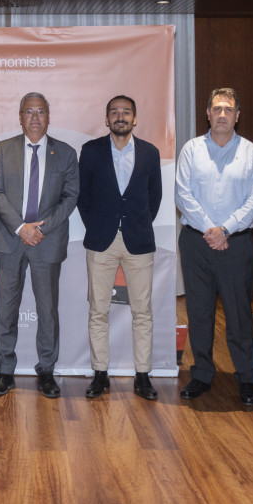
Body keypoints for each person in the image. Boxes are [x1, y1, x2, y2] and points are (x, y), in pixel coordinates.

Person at [175, 87, 253, 404]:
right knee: (199, 311)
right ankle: (201, 373)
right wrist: (211, 230)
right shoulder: (191, 149)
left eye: (228, 109)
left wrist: (224, 229)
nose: (222, 114)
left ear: (237, 115)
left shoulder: (251, 153)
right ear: (208, 114)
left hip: (236, 243)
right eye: (217, 109)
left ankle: (246, 377)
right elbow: (183, 194)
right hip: (196, 242)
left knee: (239, 313)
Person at [0, 92, 79, 398]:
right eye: (29, 111)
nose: (35, 117)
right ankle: (5, 370)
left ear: (48, 117)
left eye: (41, 111)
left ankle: (47, 370)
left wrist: (41, 228)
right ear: (20, 117)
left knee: (47, 310)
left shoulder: (65, 153)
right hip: (10, 239)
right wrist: (20, 228)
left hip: (46, 241)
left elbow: (70, 198)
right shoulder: (3, 149)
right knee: (6, 309)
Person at [77, 96, 162, 399]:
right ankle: (100, 374)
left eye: (126, 112)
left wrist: (136, 224)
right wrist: (99, 225)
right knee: (98, 310)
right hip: (102, 240)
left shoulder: (150, 153)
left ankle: (143, 376)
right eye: (114, 112)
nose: (120, 117)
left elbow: (154, 198)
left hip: (139, 240)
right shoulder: (91, 151)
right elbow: (83, 198)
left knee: (143, 312)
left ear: (134, 119)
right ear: (107, 119)